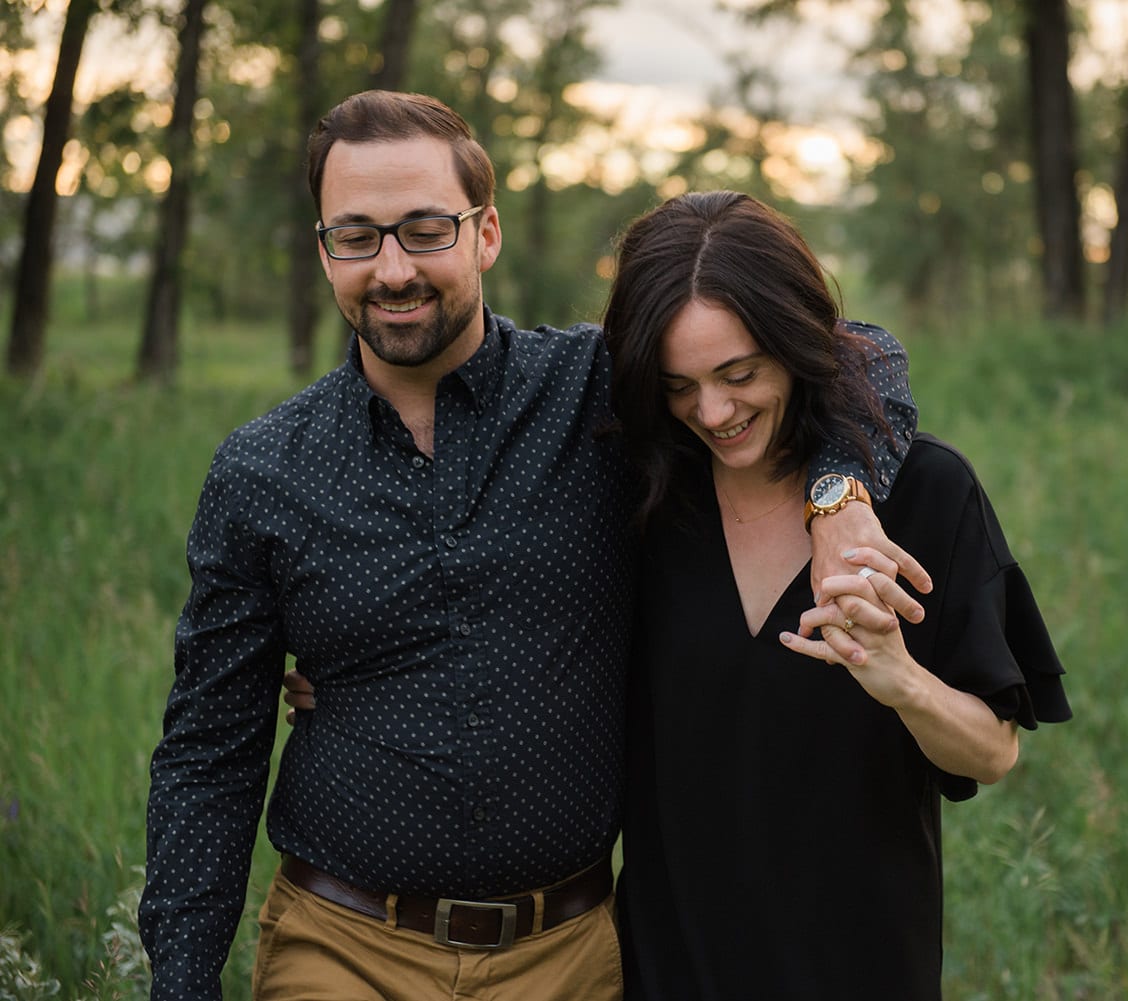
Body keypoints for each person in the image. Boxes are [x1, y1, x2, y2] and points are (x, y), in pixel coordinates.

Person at [138, 91, 925, 1001]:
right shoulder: (262, 471)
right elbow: (208, 750)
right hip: (343, 943)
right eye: (356, 237)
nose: (392, 269)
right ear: (324, 249)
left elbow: (858, 352)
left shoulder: (598, 397)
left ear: (487, 233)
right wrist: (183, 985)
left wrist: (839, 498)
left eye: (426, 229)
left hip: (568, 952)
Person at [600, 190, 1073, 1001]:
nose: (712, 412)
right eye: (679, 385)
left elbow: (993, 751)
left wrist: (905, 683)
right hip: (668, 969)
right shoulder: (638, 500)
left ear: (795, 343)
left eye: (740, 374)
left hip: (862, 968)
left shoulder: (926, 493)